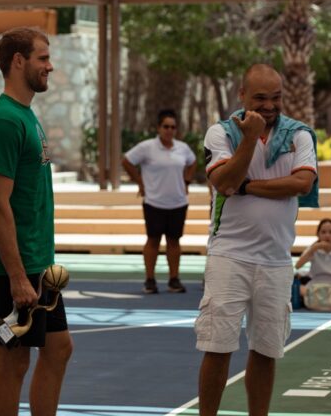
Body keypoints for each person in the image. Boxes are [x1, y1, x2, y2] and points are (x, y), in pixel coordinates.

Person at [198, 63, 317, 416]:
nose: (269, 105)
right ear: (242, 96)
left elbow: (302, 185)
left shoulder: (299, 136)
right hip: (228, 257)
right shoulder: (220, 134)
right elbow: (224, 182)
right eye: (260, 98)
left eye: (276, 97)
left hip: (277, 259)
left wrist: (247, 186)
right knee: (217, 346)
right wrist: (249, 139)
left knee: (267, 350)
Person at [0, 27, 73, 416]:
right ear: (19, 61)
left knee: (59, 348)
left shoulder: (24, 115)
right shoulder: (3, 120)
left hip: (37, 262)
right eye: (43, 58)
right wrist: (17, 276)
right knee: (12, 360)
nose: (50, 66)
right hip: (14, 266)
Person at [122, 109, 196, 294]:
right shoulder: (146, 147)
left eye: (173, 127)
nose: (169, 130)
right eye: (166, 126)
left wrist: (187, 181)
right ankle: (150, 280)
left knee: (174, 241)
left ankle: (174, 280)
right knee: (153, 240)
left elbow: (193, 162)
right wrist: (140, 182)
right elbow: (127, 161)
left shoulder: (183, 148)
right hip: (154, 202)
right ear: (158, 128)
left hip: (178, 202)